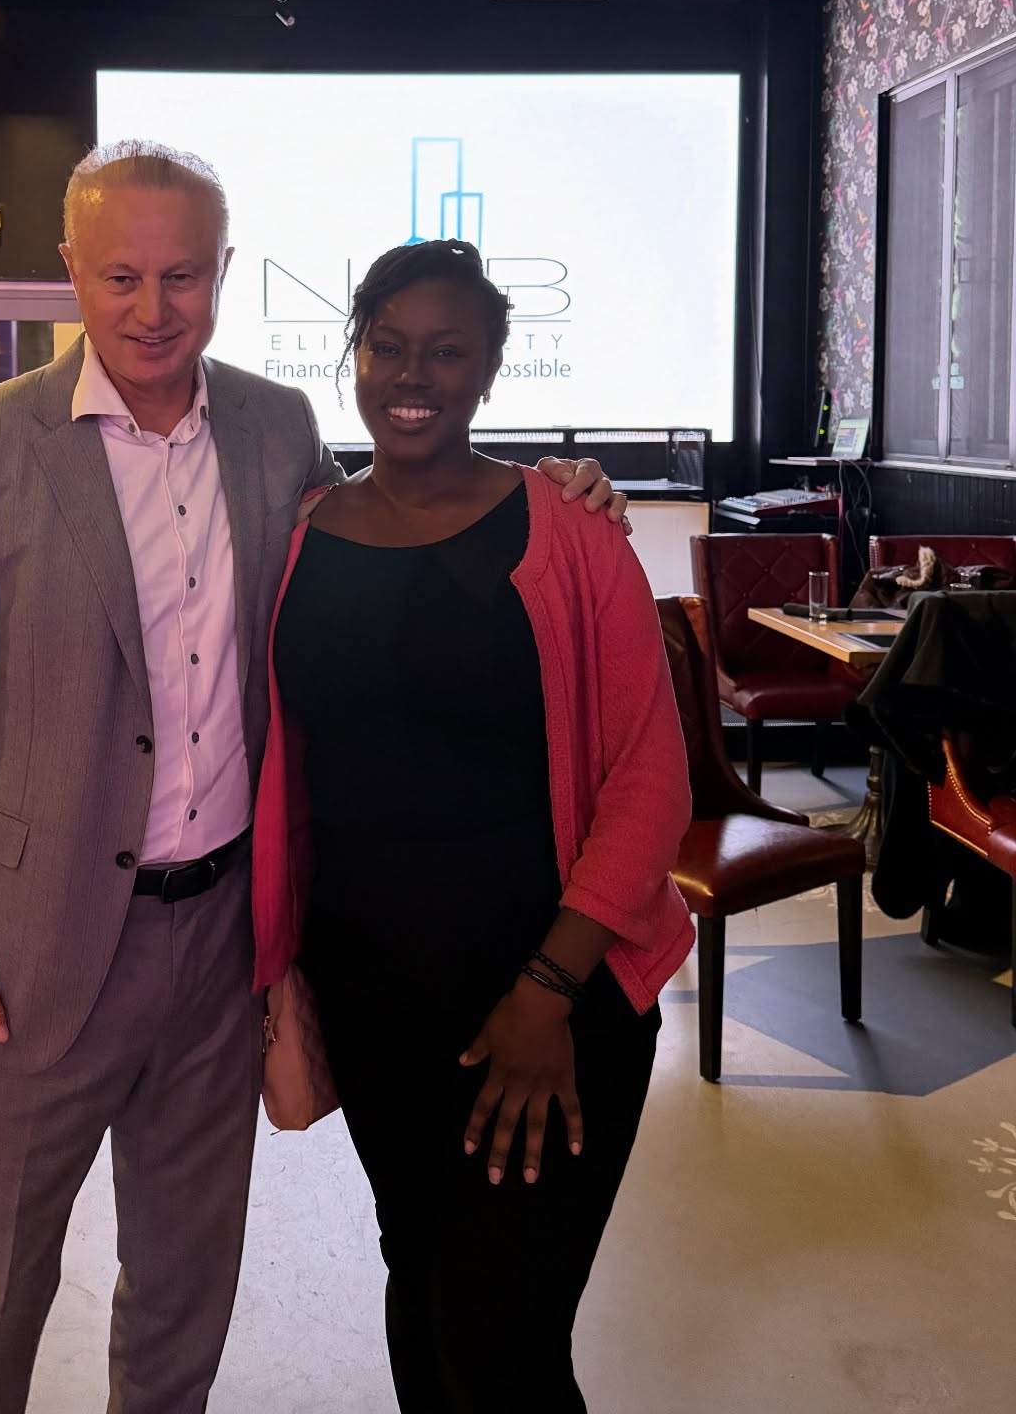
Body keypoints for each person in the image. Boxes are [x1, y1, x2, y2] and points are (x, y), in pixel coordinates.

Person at [0, 143, 627, 1414]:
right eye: (120, 276)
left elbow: (390, 528)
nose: (151, 308)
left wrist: (557, 484)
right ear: (70, 270)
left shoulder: (277, 430)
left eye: (181, 275)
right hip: (32, 949)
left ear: (222, 271)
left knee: (185, 1282)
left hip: (225, 945)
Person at [253, 238, 694, 1414]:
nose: (414, 375)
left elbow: (653, 781)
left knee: (502, 1348)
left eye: (447, 352)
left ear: (493, 370)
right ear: (353, 355)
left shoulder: (571, 532)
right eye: (388, 346)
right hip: (372, 998)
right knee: (422, 1287)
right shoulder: (299, 534)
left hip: (556, 1000)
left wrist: (546, 994)